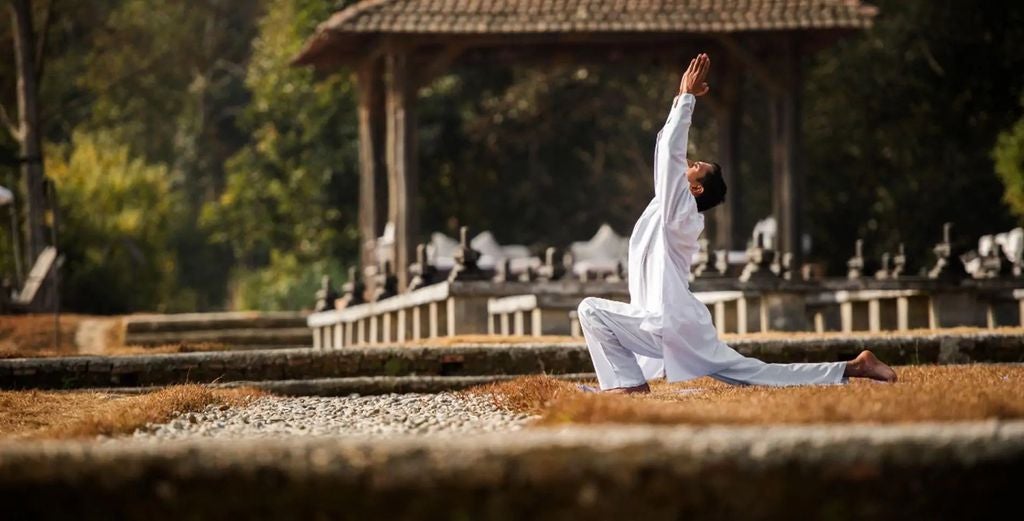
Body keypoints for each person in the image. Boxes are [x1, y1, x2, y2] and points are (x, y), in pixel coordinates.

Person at [578, 53, 896, 394]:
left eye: (696, 165)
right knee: (758, 373)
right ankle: (854, 366)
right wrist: (678, 100)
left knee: (591, 311)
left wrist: (687, 99)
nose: (689, 162)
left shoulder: (680, 212)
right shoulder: (667, 206)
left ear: (695, 187)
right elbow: (663, 151)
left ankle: (627, 386)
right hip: (674, 324)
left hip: (668, 324)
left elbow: (669, 152)